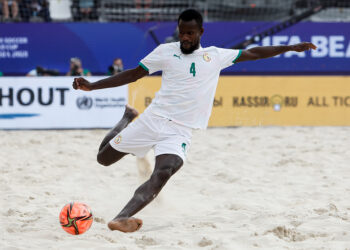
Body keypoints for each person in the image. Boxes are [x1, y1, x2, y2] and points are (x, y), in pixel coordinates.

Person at [72, 9, 316, 233]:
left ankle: (121, 217)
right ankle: (126, 118)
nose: (185, 37)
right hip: (153, 119)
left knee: (163, 172)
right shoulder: (165, 52)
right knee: (103, 158)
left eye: (190, 33)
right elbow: (134, 74)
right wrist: (93, 86)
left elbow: (253, 53)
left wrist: (290, 47)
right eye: (181, 32)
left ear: (201, 32)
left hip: (179, 130)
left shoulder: (215, 56)